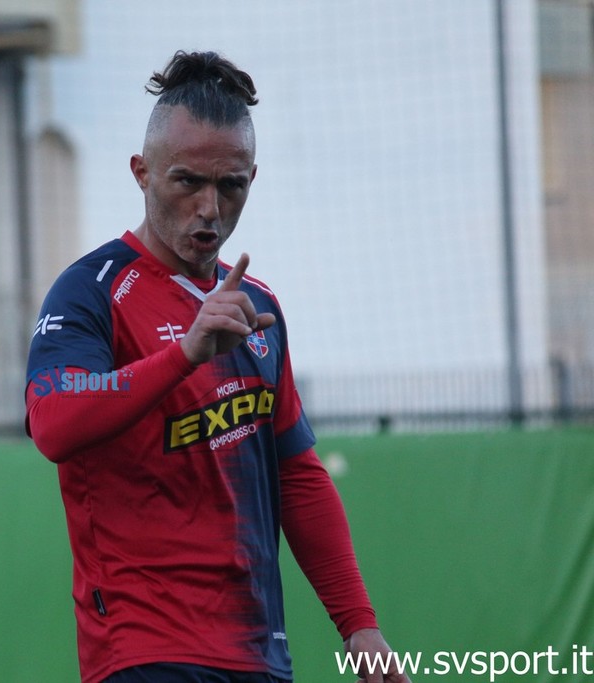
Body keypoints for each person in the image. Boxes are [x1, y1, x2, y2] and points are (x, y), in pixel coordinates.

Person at [25, 50, 409, 683]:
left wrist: (359, 625)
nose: (209, 207)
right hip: (144, 649)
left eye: (230, 186)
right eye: (187, 182)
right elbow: (53, 425)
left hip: (257, 654)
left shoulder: (258, 308)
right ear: (141, 173)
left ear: (251, 179)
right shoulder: (90, 291)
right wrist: (184, 355)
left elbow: (297, 475)